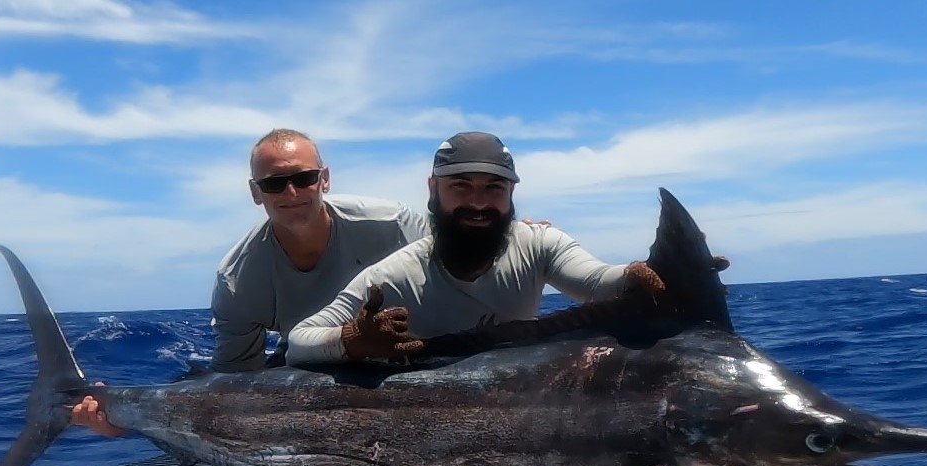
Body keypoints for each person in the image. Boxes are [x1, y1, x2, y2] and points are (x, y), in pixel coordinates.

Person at [71, 128, 428, 437]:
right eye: (274, 184)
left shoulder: (394, 224)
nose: (291, 193)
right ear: (256, 192)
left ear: (325, 179)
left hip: (420, 357)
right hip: (313, 374)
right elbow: (233, 383)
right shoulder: (237, 278)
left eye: (303, 178)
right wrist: (120, 419)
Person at [284, 131, 717, 365]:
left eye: (493, 188)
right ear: (433, 190)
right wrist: (354, 340)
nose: (477, 203)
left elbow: (597, 281)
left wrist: (645, 275)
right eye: (461, 187)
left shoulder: (539, 244)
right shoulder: (396, 275)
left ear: (511, 193)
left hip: (516, 404)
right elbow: (299, 342)